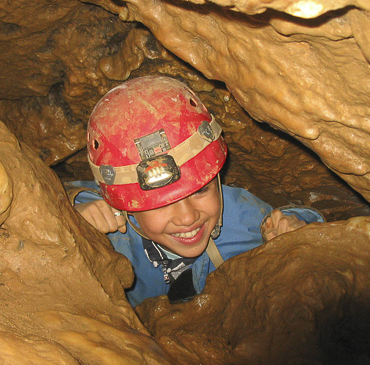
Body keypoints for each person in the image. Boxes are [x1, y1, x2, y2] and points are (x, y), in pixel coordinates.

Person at [71, 76, 324, 307]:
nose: (188, 217)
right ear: (122, 204)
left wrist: (298, 231)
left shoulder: (245, 222)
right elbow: (46, 201)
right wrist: (70, 221)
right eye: (160, 203)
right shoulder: (105, 233)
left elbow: (318, 248)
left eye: (201, 190)